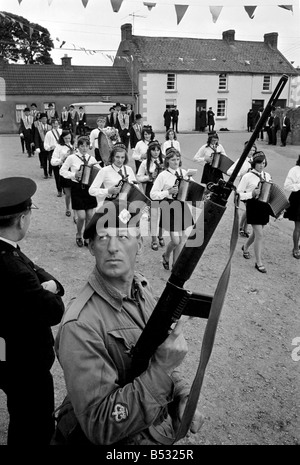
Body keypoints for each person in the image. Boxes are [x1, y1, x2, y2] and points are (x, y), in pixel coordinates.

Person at [52, 198, 202, 445]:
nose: (112, 247)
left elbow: (151, 355)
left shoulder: (141, 287)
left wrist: (182, 394)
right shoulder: (80, 324)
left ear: (140, 244)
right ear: (90, 247)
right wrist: (162, 370)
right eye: (102, 238)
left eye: (123, 237)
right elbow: (99, 425)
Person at [0, 177, 64, 445]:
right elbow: (54, 312)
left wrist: (48, 284)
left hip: (4, 349)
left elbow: (33, 268)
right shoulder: (13, 269)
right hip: (24, 361)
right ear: (23, 219)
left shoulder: (8, 253)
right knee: (33, 425)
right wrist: (49, 289)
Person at [150, 148, 194, 270]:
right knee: (175, 240)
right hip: (168, 206)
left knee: (181, 239)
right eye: (173, 159)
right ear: (167, 161)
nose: (176, 162)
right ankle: (166, 255)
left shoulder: (184, 172)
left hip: (181, 206)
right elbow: (152, 194)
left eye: (178, 159)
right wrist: (167, 192)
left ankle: (175, 264)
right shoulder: (162, 175)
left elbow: (193, 187)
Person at [60, 136, 100, 247]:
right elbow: (62, 171)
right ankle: (78, 234)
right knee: (81, 216)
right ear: (78, 146)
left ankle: (86, 237)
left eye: (87, 145)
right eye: (82, 145)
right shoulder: (72, 158)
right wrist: (73, 174)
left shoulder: (91, 159)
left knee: (90, 216)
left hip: (89, 189)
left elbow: (100, 171)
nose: (84, 148)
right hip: (77, 188)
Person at [237, 151, 272, 273]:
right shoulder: (247, 176)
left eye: (263, 163)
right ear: (254, 163)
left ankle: (245, 247)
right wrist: (251, 194)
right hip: (252, 206)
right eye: (259, 163)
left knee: (257, 233)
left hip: (264, 206)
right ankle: (259, 262)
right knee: (260, 235)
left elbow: (270, 192)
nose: (261, 165)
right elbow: (239, 194)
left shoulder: (267, 176)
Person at [89, 143, 137, 210]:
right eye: (117, 157)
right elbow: (92, 191)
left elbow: (136, 189)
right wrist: (108, 191)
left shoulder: (129, 169)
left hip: (126, 206)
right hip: (110, 206)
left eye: (122, 157)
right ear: (112, 157)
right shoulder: (104, 171)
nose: (120, 160)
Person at [136, 140, 165, 250]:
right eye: (153, 150)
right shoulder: (145, 163)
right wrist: (149, 177)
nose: (156, 152)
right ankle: (154, 239)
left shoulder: (164, 160)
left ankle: (161, 235)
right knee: (154, 215)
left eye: (158, 150)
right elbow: (138, 177)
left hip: (163, 189)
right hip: (151, 189)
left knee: (164, 214)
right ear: (149, 151)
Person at [227, 141, 257, 238]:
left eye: (254, 150)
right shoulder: (241, 160)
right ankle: (241, 228)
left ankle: (244, 228)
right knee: (249, 208)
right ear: (246, 150)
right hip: (244, 187)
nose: (252, 152)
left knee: (250, 209)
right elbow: (230, 171)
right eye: (250, 150)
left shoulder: (255, 160)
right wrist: (242, 173)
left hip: (253, 187)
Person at [51, 130, 76, 218]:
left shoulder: (73, 146)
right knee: (68, 194)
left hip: (74, 171)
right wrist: (62, 159)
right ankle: (67, 208)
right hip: (65, 171)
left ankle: (75, 211)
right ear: (62, 138)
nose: (68, 140)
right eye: (65, 138)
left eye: (69, 138)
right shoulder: (58, 147)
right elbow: (53, 161)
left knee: (75, 194)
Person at [283, 155, 300, 259]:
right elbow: (287, 186)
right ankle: (295, 248)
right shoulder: (295, 170)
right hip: (298, 199)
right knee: (298, 226)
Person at [44, 119, 62, 188]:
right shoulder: (49, 133)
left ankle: (63, 187)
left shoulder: (61, 131)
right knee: (55, 168)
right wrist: (49, 147)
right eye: (54, 123)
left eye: (56, 123)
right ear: (52, 124)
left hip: (61, 151)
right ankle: (59, 189)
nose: (55, 125)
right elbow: (46, 143)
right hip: (53, 151)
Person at [34, 113, 52, 178]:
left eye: (45, 118)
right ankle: (45, 173)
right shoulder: (38, 128)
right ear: (40, 120)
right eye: (43, 119)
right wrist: (37, 147)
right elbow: (36, 138)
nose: (44, 120)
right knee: (44, 161)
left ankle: (50, 171)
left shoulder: (50, 127)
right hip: (42, 146)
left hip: (50, 146)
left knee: (50, 160)